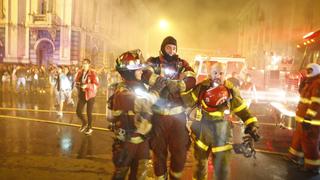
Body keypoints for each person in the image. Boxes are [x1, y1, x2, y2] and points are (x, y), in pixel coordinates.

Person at [182, 62, 260, 180]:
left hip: (222, 133)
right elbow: (187, 100)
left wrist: (252, 124)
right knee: (199, 167)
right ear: (210, 74)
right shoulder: (202, 88)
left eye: (221, 73)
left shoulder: (230, 91)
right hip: (202, 132)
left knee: (222, 170)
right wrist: (181, 87)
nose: (218, 76)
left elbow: (242, 109)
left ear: (225, 74)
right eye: (215, 73)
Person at [141, 36, 196, 179]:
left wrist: (179, 85)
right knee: (158, 152)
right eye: (168, 47)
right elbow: (145, 74)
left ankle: (174, 176)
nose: (171, 51)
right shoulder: (153, 61)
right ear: (162, 48)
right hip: (158, 116)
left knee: (180, 152)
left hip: (177, 118)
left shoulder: (182, 63)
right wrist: (160, 81)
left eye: (174, 48)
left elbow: (192, 79)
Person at [108, 49, 166, 179]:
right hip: (126, 142)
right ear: (129, 72)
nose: (141, 71)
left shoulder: (138, 87)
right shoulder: (121, 92)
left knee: (141, 175)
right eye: (138, 69)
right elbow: (143, 103)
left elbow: (150, 108)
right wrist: (156, 90)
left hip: (142, 140)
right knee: (120, 175)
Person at [288, 63, 320, 174]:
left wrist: (308, 118)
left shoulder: (317, 83)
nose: (307, 73)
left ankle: (312, 167)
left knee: (310, 142)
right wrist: (301, 85)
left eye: (310, 71)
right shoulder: (310, 82)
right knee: (298, 138)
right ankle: (294, 157)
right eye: (307, 71)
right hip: (303, 118)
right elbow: (303, 96)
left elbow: (316, 103)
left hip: (311, 121)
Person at [75, 59, 99, 135]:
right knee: (78, 111)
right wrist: (78, 84)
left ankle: (90, 127)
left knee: (89, 112)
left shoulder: (93, 73)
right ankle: (84, 123)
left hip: (90, 95)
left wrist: (87, 86)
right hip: (82, 94)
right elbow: (76, 81)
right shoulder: (80, 72)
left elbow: (96, 84)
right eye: (83, 63)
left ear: (89, 64)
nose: (84, 65)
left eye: (86, 64)